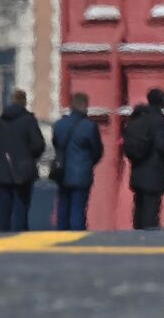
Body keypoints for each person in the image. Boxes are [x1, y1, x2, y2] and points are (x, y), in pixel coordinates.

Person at [0, 88, 45, 232]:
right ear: (24, 101)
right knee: (21, 208)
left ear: (12, 100)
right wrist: (31, 158)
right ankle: (19, 241)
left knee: (3, 208)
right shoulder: (28, 120)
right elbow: (38, 144)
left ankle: (0, 240)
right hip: (23, 171)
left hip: (2, 170)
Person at [123, 88, 164, 229]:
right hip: (153, 172)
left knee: (139, 208)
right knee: (150, 211)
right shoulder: (158, 120)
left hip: (138, 171)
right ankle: (147, 241)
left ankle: (137, 239)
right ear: (161, 101)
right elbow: (162, 145)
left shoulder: (138, 116)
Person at [51, 92, 103, 230]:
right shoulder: (89, 126)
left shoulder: (59, 125)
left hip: (62, 172)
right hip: (82, 173)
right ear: (85, 106)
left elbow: (57, 145)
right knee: (78, 210)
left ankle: (61, 238)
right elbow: (98, 150)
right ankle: (77, 239)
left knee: (63, 208)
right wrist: (88, 162)